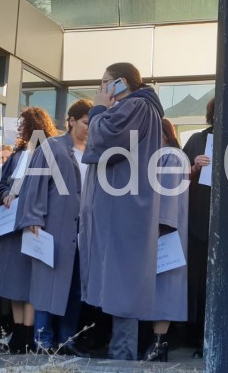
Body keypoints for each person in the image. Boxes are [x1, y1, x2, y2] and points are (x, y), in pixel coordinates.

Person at [79, 62, 163, 360]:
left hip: (123, 203)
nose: (101, 89)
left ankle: (123, 356)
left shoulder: (136, 106)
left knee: (122, 278)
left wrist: (99, 109)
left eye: (105, 82)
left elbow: (107, 140)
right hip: (124, 202)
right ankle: (118, 350)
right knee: (120, 277)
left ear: (122, 82)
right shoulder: (142, 108)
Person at [15, 99, 92, 356]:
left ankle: (67, 340)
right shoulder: (52, 146)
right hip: (53, 227)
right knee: (47, 283)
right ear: (71, 121)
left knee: (77, 287)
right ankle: (43, 340)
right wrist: (34, 218)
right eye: (86, 122)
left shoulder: (95, 152)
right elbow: (34, 185)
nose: (90, 128)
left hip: (84, 232)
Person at [0, 107, 59, 354]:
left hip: (32, 225)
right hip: (9, 227)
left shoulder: (50, 153)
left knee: (29, 282)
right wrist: (6, 194)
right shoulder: (17, 155)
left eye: (24, 124)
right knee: (12, 281)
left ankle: (28, 331)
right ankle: (18, 331)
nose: (20, 129)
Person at [143, 118, 190, 362]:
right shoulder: (157, 155)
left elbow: (169, 196)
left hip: (165, 231)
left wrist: (161, 227)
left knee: (165, 287)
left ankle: (159, 343)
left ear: (163, 133)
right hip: (156, 229)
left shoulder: (171, 156)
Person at [181, 97, 214, 358]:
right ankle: (199, 336)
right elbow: (176, 177)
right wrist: (194, 167)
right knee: (199, 282)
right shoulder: (196, 140)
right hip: (199, 222)